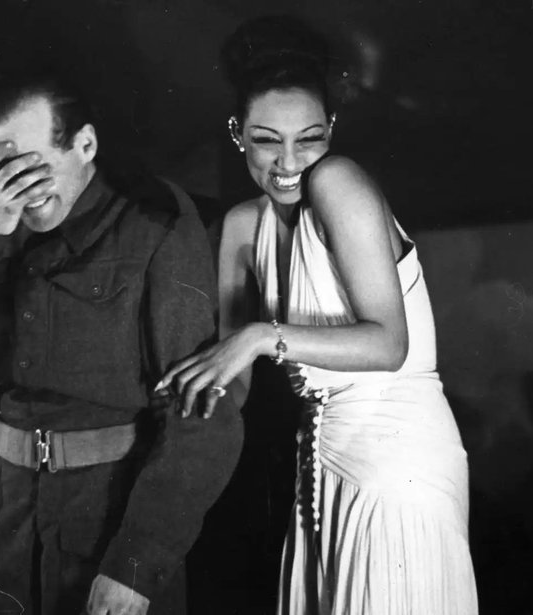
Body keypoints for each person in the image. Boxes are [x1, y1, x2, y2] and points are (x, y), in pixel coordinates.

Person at [0, 68, 243, 615]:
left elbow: (201, 416)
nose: (20, 190)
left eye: (34, 167)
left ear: (85, 145)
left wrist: (136, 565)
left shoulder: (154, 228)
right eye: (0, 168)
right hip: (3, 526)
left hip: (106, 522)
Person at [158, 16, 478, 615]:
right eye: (266, 140)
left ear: (331, 129)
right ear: (236, 134)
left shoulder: (338, 180)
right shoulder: (241, 227)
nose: (289, 162)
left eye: (309, 138)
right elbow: (232, 380)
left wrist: (259, 336)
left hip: (399, 465)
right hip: (319, 472)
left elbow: (389, 344)